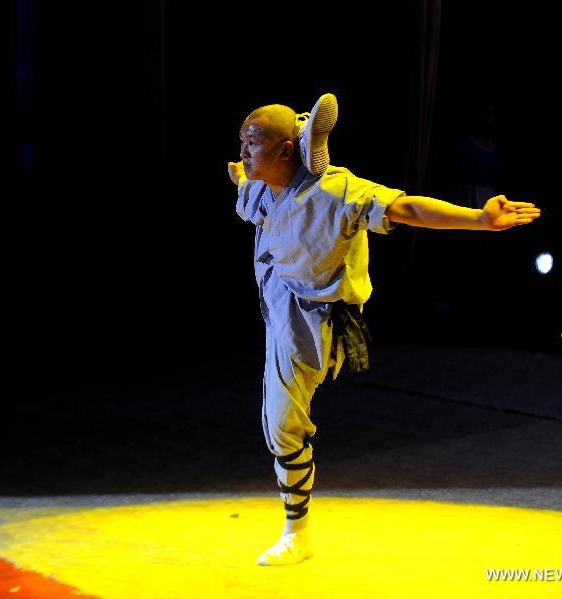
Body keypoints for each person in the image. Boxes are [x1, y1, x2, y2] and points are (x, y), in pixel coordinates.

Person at [227, 93, 540, 566]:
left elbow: (407, 208)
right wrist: (244, 165)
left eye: (253, 143)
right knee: (279, 425)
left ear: (288, 150)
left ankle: (297, 533)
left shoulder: (336, 192)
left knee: (282, 424)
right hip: (278, 303)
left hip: (313, 317)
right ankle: (297, 528)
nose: (245, 152)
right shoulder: (257, 188)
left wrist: (479, 219)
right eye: (243, 143)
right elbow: (239, 174)